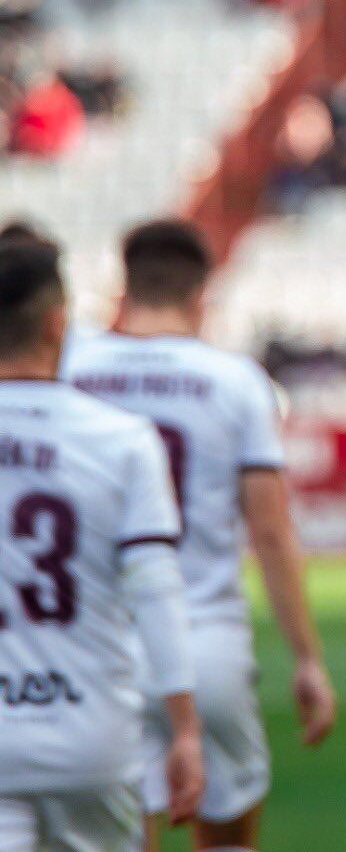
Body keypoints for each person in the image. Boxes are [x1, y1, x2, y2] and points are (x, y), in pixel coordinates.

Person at [61, 220, 336, 852]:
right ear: (201, 295)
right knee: (228, 835)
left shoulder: (71, 365)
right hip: (203, 640)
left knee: (120, 833)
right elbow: (270, 532)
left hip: (95, 647)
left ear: (121, 288)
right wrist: (307, 659)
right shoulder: (236, 381)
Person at [0, 232, 204, 851]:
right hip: (91, 732)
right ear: (58, 320)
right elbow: (156, 587)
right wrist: (185, 727)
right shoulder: (121, 438)